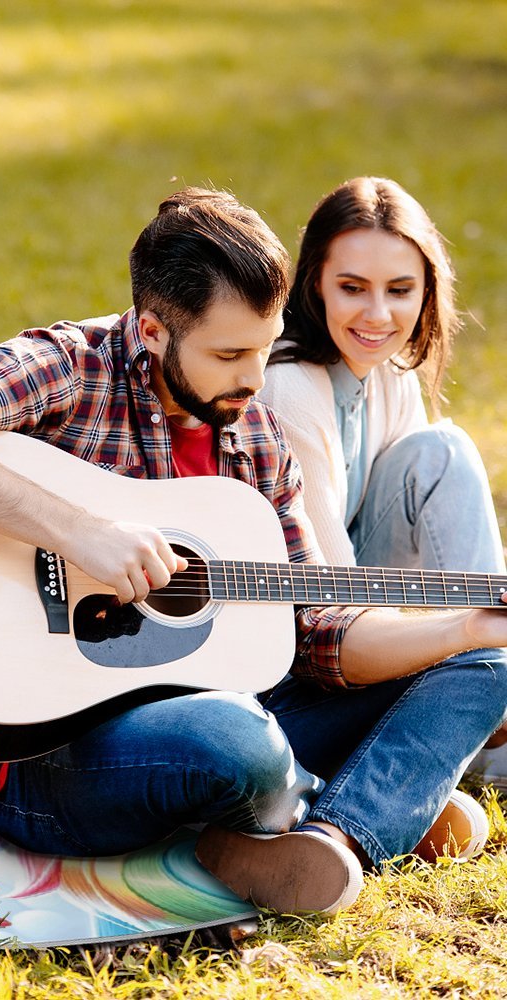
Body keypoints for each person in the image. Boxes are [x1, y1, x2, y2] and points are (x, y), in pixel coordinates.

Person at [0, 188, 507, 916]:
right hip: (43, 756)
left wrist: (463, 628)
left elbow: (317, 629)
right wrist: (75, 530)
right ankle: (363, 796)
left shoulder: (254, 435)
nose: (255, 380)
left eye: (264, 346)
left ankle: (337, 837)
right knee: (236, 742)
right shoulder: (71, 367)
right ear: (153, 331)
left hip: (232, 709)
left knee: (487, 664)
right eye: (229, 354)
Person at [260, 176, 507, 788]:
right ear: (314, 281)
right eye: (352, 288)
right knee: (444, 451)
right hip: (303, 649)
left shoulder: (389, 370)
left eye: (400, 290)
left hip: (368, 615)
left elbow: (426, 545)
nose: (378, 315)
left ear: (427, 291)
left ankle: (485, 695)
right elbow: (331, 603)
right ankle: (484, 725)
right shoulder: (290, 386)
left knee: (438, 451)